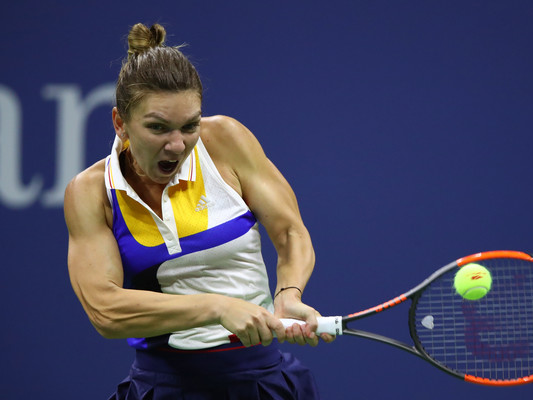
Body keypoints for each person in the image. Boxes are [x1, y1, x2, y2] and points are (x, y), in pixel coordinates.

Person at [64, 22, 334, 399]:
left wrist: (288, 293)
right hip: (164, 386)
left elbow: (290, 233)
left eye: (189, 126)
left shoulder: (225, 140)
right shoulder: (92, 191)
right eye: (158, 128)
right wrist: (218, 308)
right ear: (120, 124)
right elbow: (105, 311)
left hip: (263, 381)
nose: (177, 145)